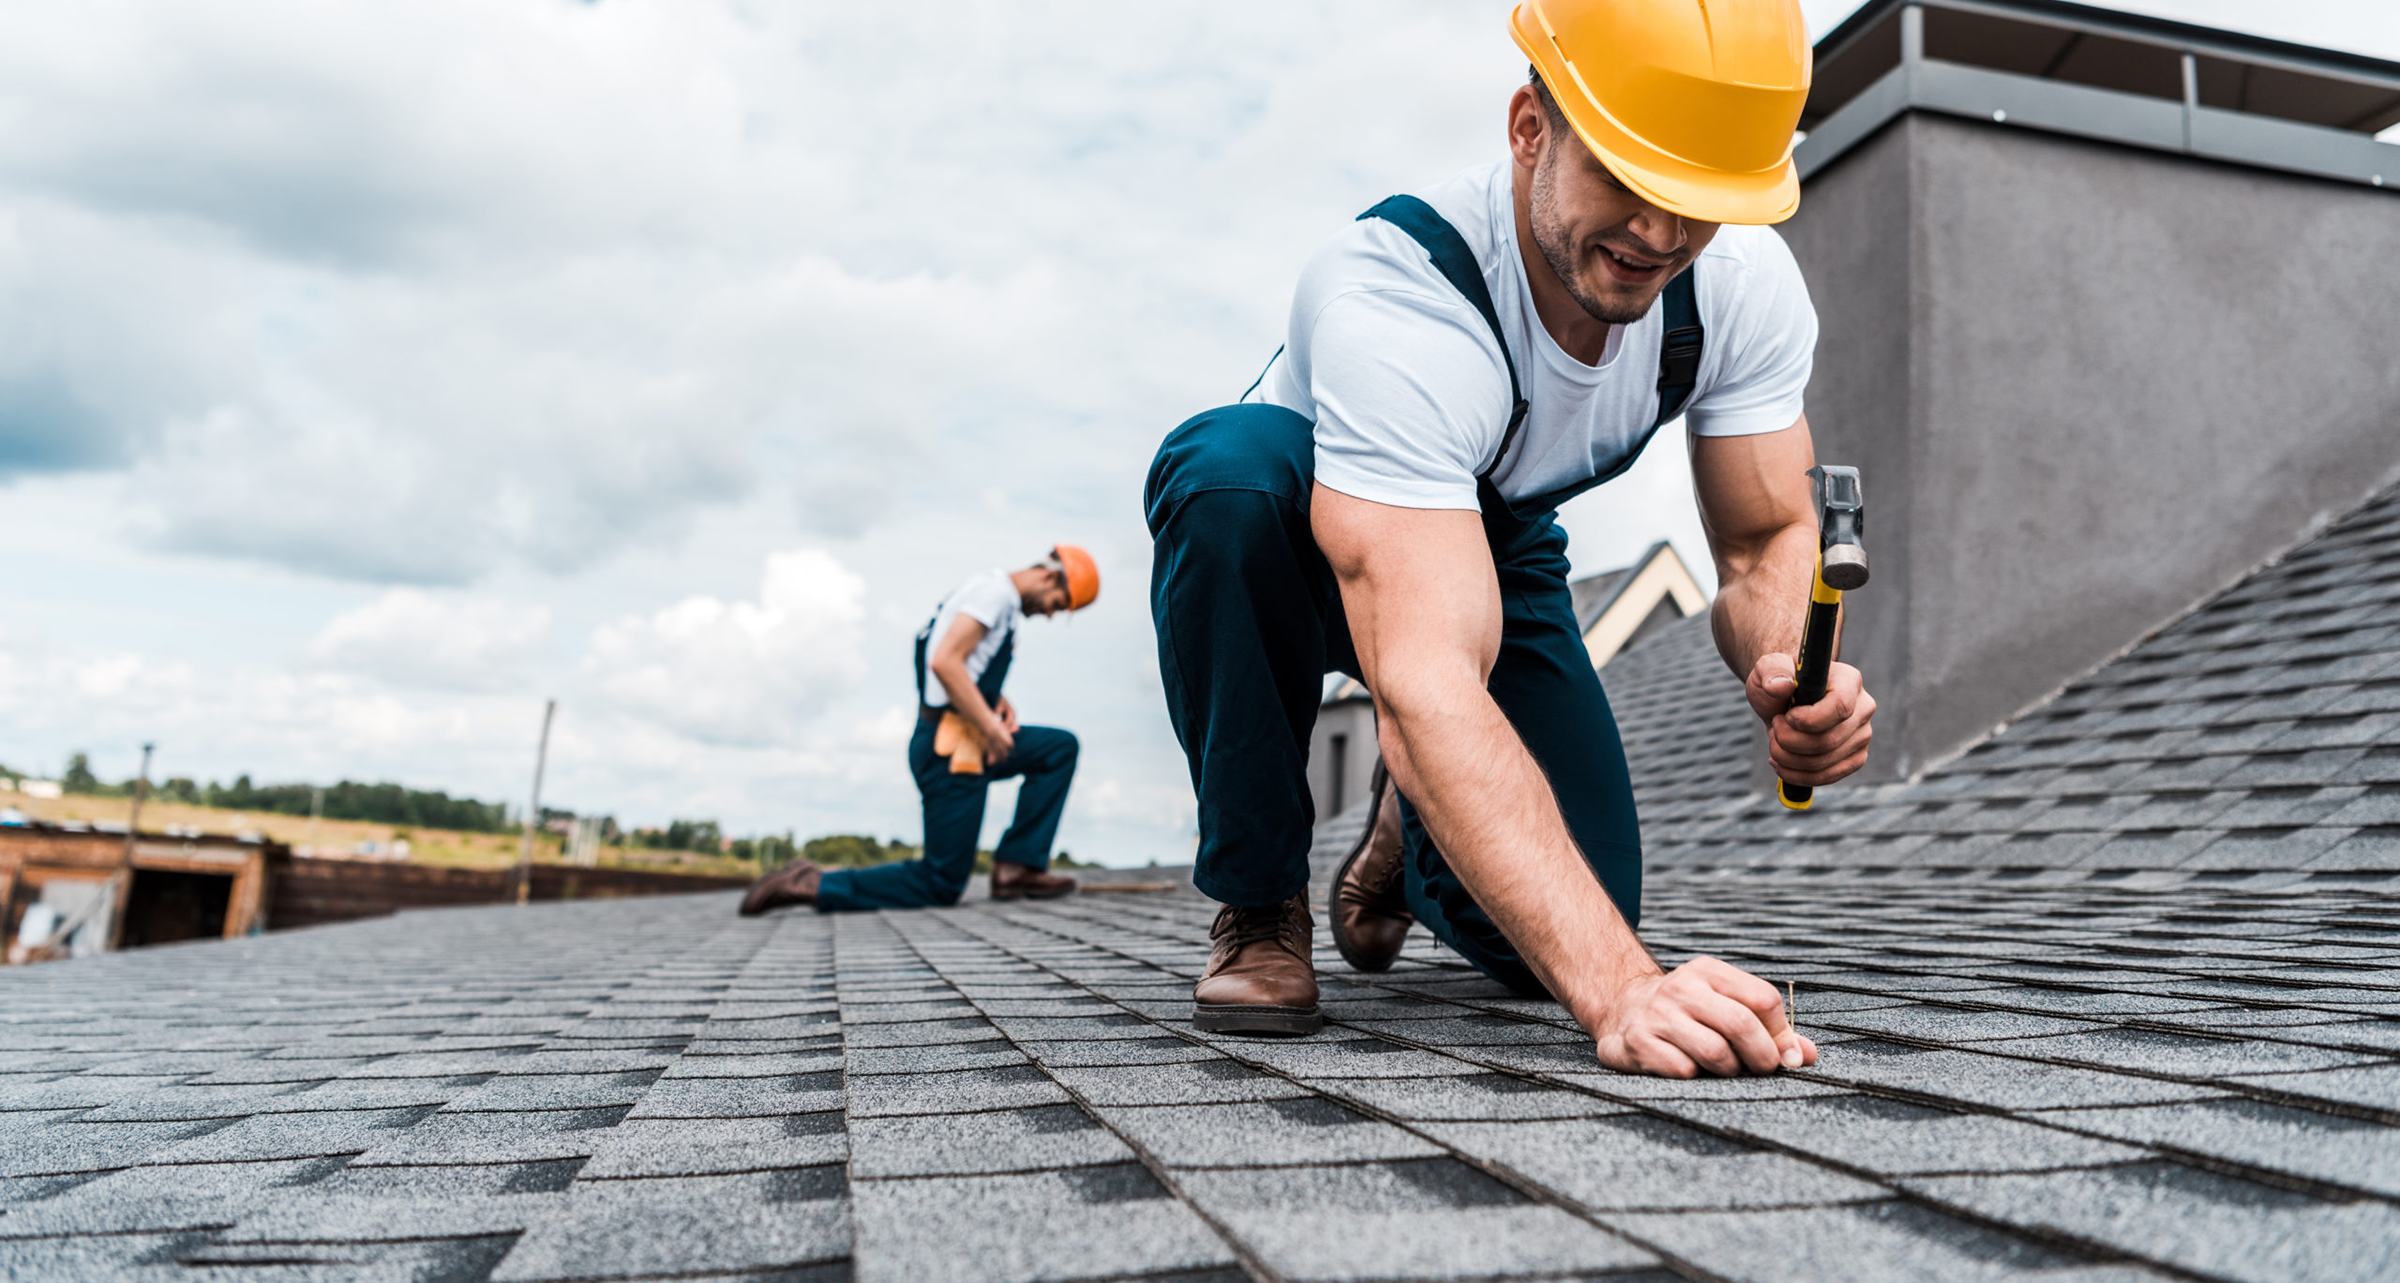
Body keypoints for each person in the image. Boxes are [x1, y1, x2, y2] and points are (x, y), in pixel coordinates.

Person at [1143, 0, 1875, 1077]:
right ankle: (1258, 904)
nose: (1661, 237)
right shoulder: (1400, 294)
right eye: (1628, 179)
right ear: (1531, 124)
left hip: (1498, 537)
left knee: (1567, 917)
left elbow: (1767, 539)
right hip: (1304, 513)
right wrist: (1623, 988)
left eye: (1696, 203)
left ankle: (1402, 843)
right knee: (1225, 479)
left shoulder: (1739, 292)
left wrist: (1787, 668)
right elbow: (1428, 679)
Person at [741, 546, 1100, 914]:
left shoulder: (995, 599)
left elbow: (956, 659)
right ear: (1049, 576)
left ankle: (1018, 867)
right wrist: (991, 727)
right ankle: (811, 883)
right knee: (940, 882)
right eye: (1059, 602)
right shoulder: (993, 595)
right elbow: (944, 662)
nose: (1052, 613)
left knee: (1058, 749)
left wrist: (995, 701)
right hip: (948, 751)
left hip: (969, 740)